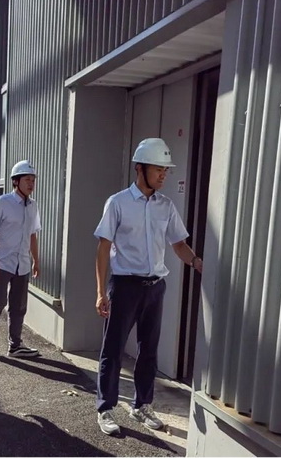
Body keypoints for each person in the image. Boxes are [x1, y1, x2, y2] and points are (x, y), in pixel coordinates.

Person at [93, 138, 203, 435]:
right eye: (158, 169)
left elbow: (178, 244)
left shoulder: (166, 206)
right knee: (113, 350)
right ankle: (105, 408)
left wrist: (196, 262)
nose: (163, 175)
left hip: (155, 288)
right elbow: (103, 248)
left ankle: (142, 405)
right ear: (140, 168)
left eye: (166, 170)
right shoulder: (118, 203)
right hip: (125, 286)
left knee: (149, 350)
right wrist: (101, 292)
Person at [0, 160, 42, 358]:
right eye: (27, 179)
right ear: (16, 181)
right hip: (3, 262)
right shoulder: (2, 203)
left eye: (33, 180)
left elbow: (32, 235)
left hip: (22, 264)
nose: (31, 183)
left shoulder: (32, 206)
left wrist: (36, 261)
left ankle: (15, 345)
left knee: (19, 306)